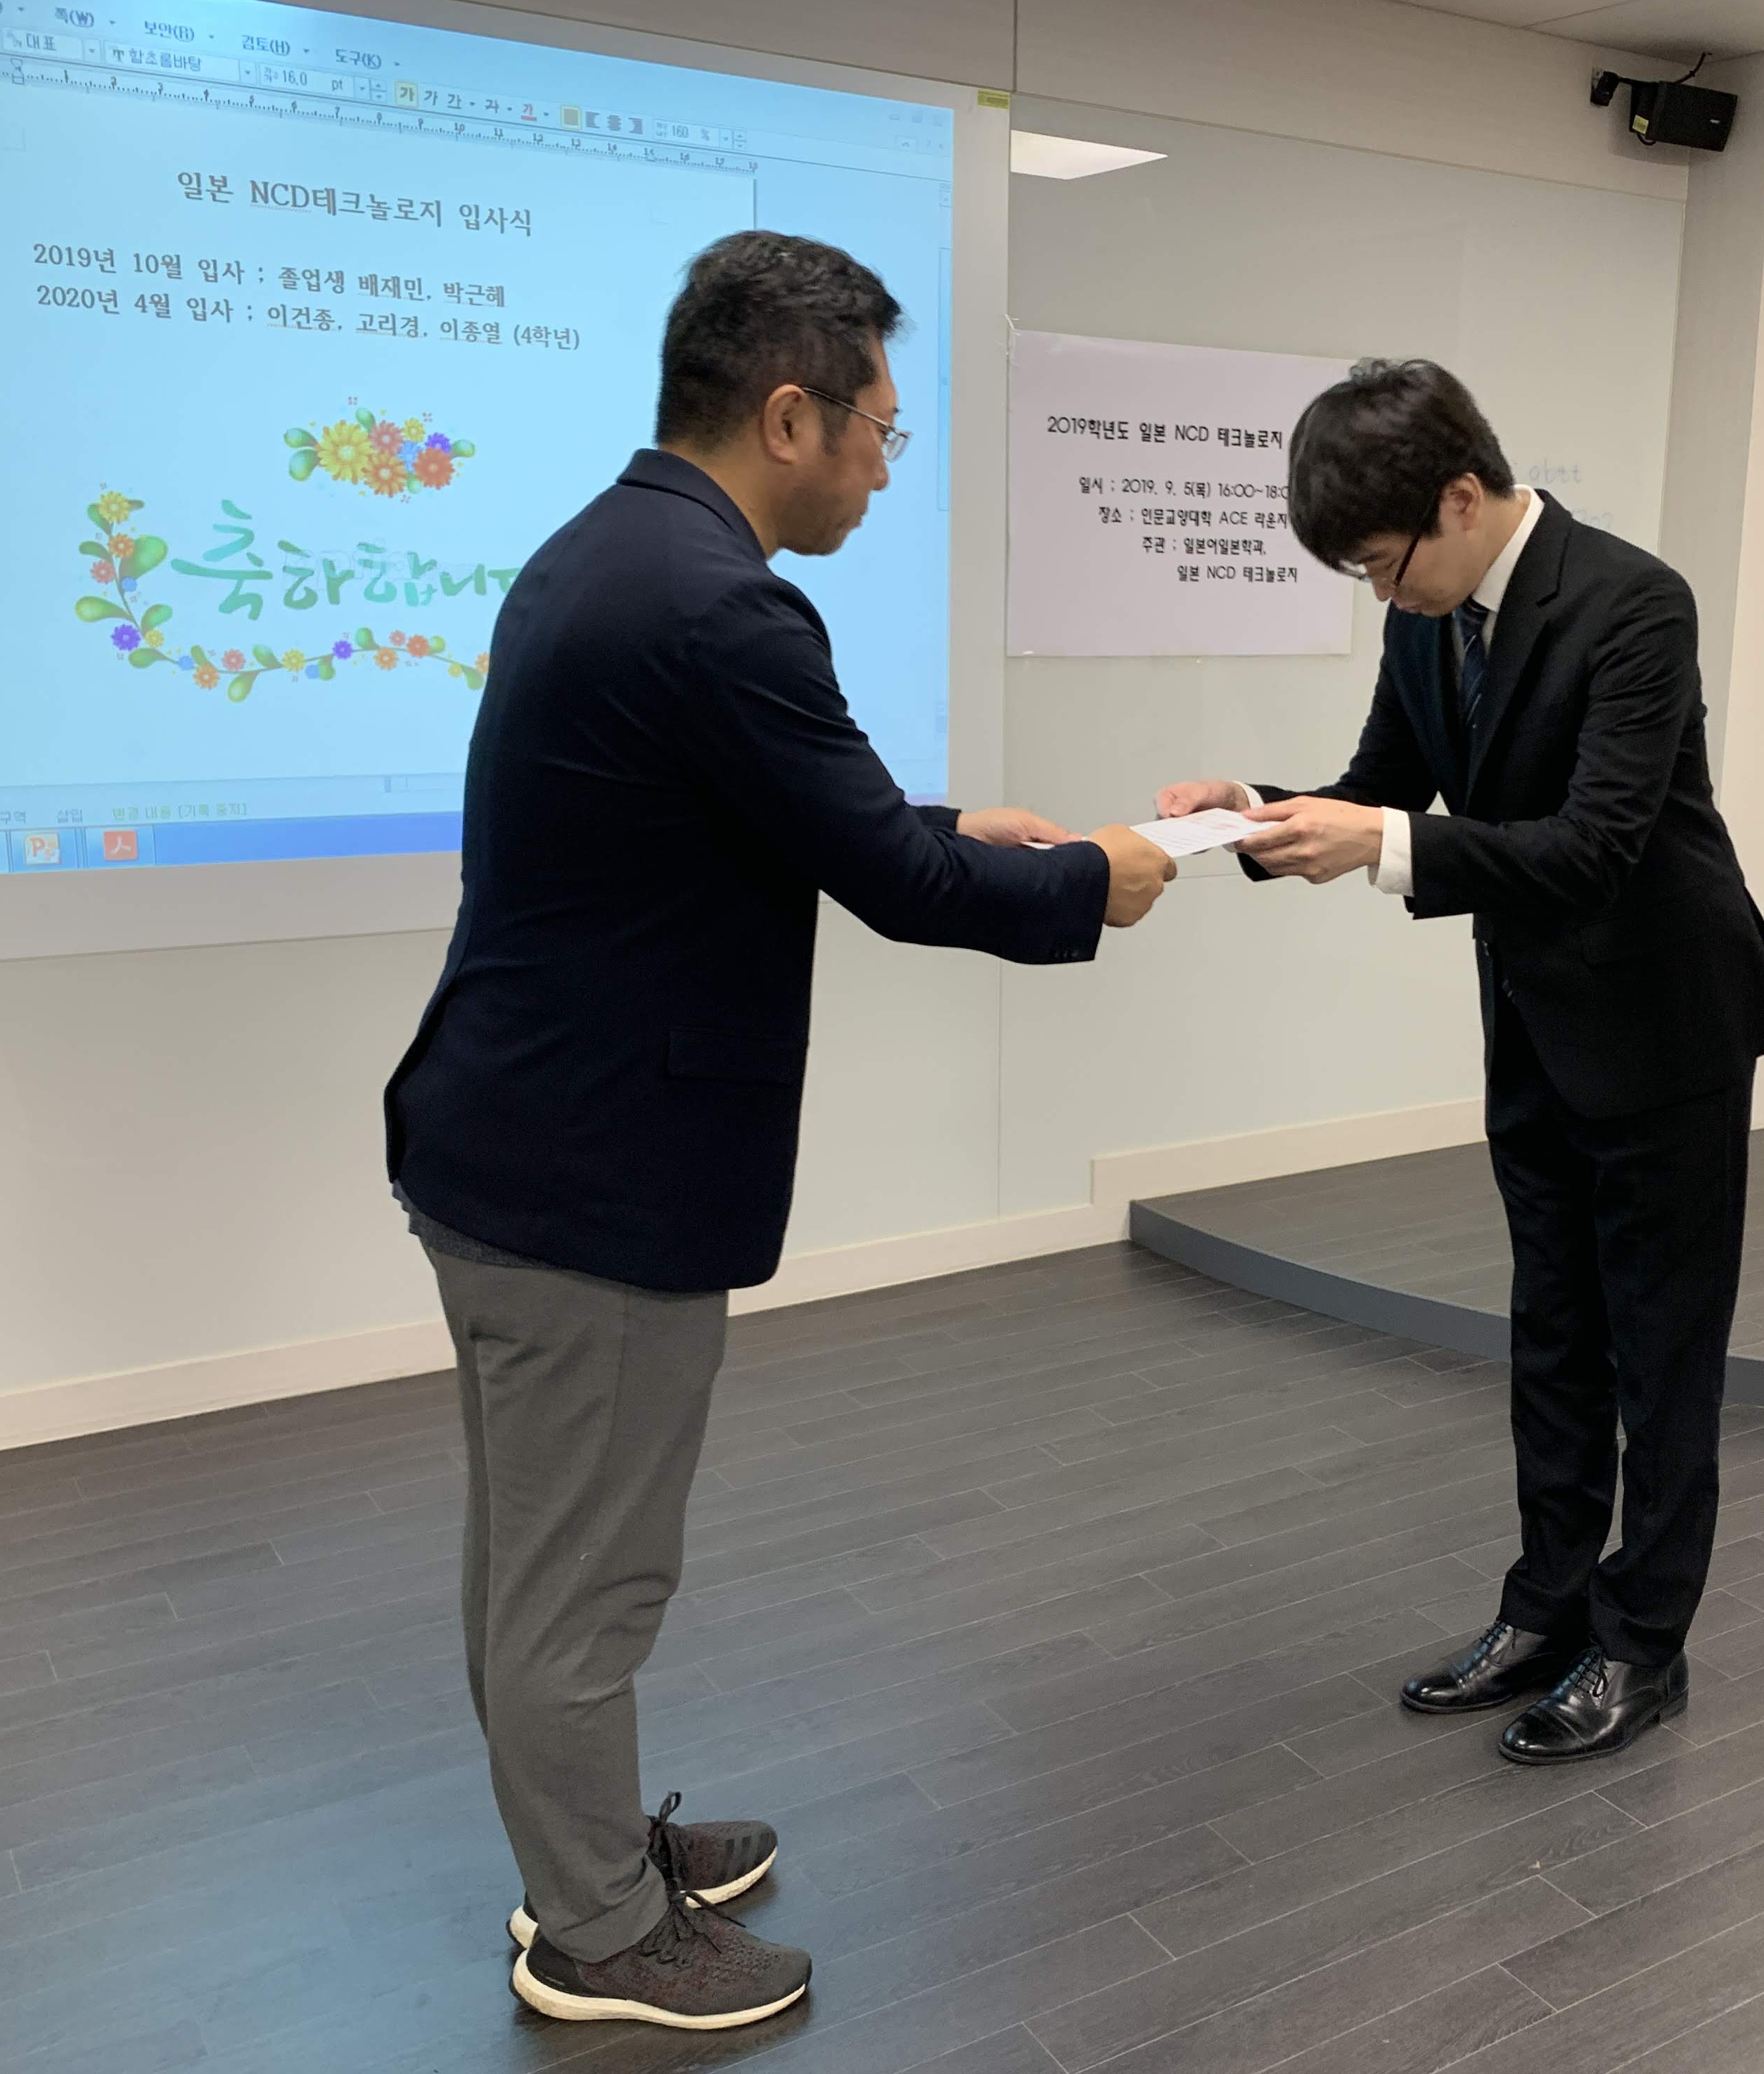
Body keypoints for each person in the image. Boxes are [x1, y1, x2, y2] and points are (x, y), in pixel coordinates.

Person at [383, 231, 1173, 2032]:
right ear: (793, 414)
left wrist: (966, 821)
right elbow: (891, 881)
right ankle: (597, 1935)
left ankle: (591, 1854)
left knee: (538, 1567)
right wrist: (1092, 880)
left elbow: (765, 798)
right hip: (593, 1179)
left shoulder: (611, 548)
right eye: (883, 433)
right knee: (583, 1588)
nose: (887, 471)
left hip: (512, 1136)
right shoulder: (720, 602)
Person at [1158, 358, 1764, 1766]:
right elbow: (1378, 792)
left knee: (1662, 1351)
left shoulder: (1634, 601)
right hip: (1536, 1018)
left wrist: (1379, 844)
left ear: (1459, 497)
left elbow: (1595, 847)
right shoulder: (1431, 623)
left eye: (1384, 566)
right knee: (1552, 1329)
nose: (1384, 598)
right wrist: (1251, 811)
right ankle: (1546, 1608)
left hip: (1668, 1023)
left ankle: (1645, 1643)